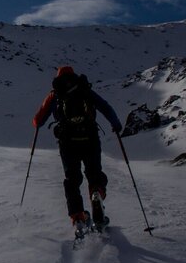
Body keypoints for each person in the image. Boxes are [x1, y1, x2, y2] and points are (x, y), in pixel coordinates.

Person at [33, 66, 123, 231]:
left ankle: (78, 217)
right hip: (90, 139)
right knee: (94, 173)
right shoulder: (84, 88)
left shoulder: (55, 94)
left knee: (72, 180)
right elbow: (105, 107)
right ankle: (96, 193)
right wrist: (116, 124)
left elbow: (38, 121)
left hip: (67, 143)